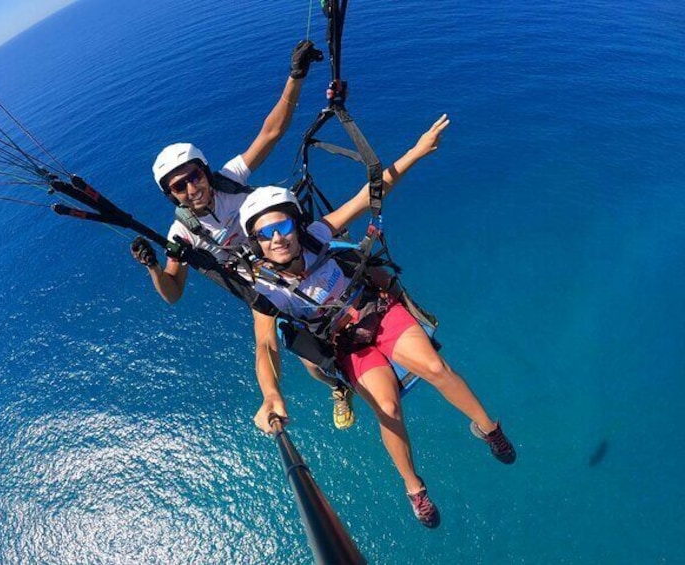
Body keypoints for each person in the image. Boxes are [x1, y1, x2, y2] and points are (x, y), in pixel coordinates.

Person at [236, 115, 516, 529]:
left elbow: (370, 194)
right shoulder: (265, 289)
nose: (277, 238)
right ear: (256, 244)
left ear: (295, 224)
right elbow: (265, 345)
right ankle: (414, 488)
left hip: (376, 312)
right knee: (387, 408)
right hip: (348, 344)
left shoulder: (318, 234)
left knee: (436, 368)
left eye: (282, 226)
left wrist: (416, 153)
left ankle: (488, 428)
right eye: (265, 234)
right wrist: (271, 394)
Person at [129, 41, 358, 429]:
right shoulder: (182, 233)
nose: (191, 189)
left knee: (362, 263)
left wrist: (296, 77)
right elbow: (173, 293)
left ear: (205, 171)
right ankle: (337, 385)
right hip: (265, 284)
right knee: (310, 360)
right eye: (179, 188)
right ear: (171, 196)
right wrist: (153, 266)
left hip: (292, 245)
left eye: (194, 177)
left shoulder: (229, 180)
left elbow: (271, 132)